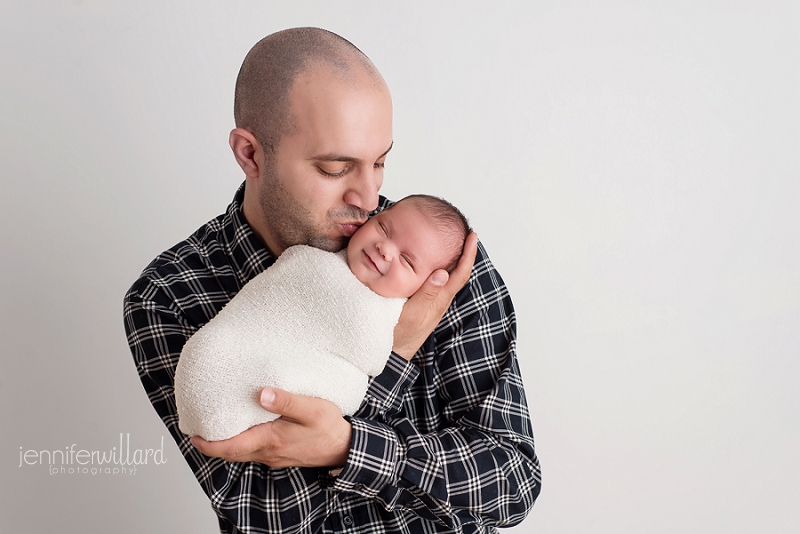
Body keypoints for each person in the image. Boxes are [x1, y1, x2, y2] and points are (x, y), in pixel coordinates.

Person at [123, 27, 541, 534]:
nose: (367, 198)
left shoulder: (433, 259)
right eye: (335, 168)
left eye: (380, 162)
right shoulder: (171, 294)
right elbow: (268, 519)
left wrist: (347, 445)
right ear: (250, 154)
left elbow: (511, 482)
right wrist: (395, 354)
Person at [175, 195, 472, 442]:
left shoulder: (396, 312)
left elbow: (368, 354)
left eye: (407, 261)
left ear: (428, 285)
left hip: (292, 379)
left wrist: (399, 347)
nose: (385, 248)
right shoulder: (315, 255)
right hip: (239, 346)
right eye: (383, 229)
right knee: (216, 349)